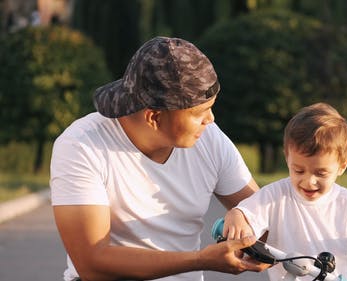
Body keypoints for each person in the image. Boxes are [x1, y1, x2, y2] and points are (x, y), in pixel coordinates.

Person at [50, 36, 266, 281]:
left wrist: (247, 216)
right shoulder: (82, 145)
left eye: (211, 107)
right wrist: (201, 260)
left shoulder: (209, 138)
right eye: (199, 112)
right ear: (153, 117)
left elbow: (264, 213)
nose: (211, 120)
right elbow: (92, 263)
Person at [223, 103, 347, 281]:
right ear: (287, 158)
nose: (309, 181)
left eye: (321, 173)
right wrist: (237, 215)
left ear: (342, 166)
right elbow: (247, 213)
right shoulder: (274, 196)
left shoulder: (346, 202)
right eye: (299, 171)